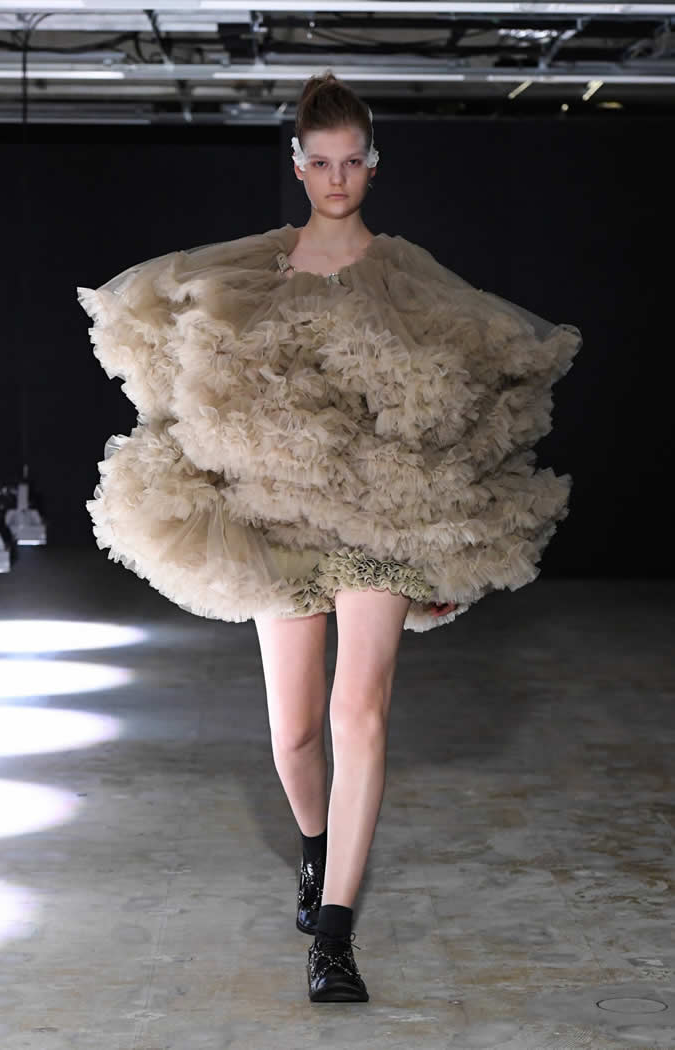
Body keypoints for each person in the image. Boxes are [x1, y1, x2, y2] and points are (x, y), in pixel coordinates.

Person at [77, 70, 582, 1005]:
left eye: (353, 161)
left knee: (361, 716)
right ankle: (315, 849)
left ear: (373, 166)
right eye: (323, 162)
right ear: (299, 165)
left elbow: (468, 393)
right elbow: (197, 389)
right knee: (297, 733)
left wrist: (448, 542)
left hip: (381, 518)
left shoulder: (409, 275)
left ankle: (337, 938)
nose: (338, 178)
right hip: (277, 521)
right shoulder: (257, 273)